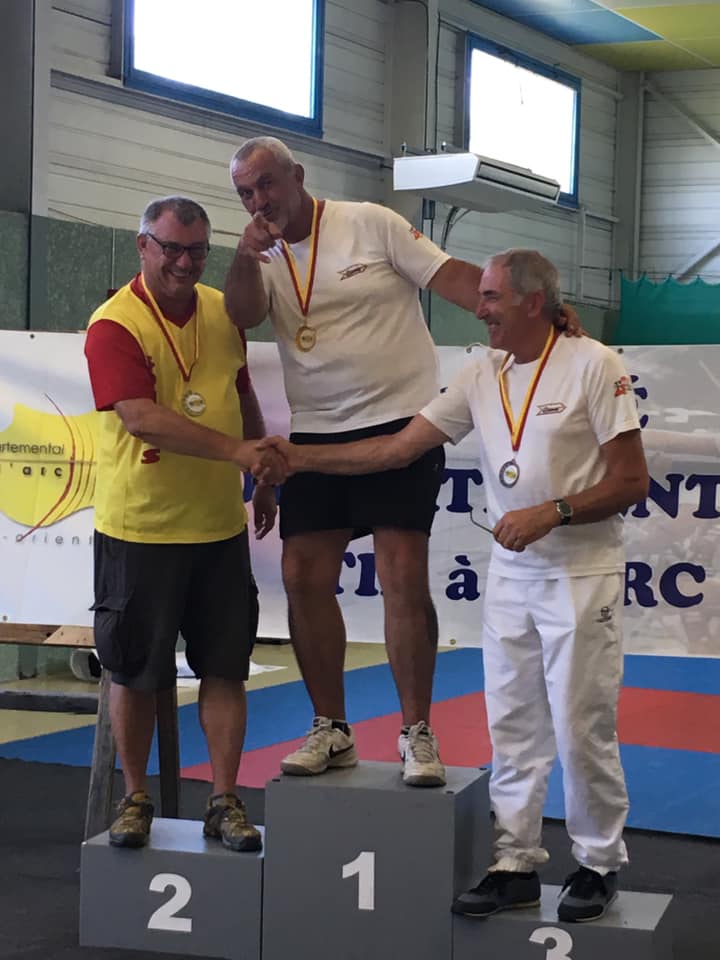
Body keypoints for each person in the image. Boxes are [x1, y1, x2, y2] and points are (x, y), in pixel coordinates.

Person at [257, 249, 649, 923]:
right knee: (512, 723)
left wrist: (553, 511)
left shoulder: (595, 364)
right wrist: (301, 458)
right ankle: (514, 861)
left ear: (533, 302)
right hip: (513, 576)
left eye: (492, 297)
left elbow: (631, 482)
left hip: (580, 574)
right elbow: (396, 449)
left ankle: (597, 862)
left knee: (581, 723)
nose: (479, 307)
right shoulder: (480, 372)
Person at [223, 134, 504, 787]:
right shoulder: (260, 256)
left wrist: (519, 313)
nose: (258, 200)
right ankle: (332, 727)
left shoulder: (370, 223)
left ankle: (416, 732)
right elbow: (241, 313)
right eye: (245, 192)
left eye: (266, 184)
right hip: (315, 435)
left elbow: (452, 278)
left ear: (297, 175)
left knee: (401, 576)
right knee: (301, 576)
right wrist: (240, 256)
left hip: (401, 422)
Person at [84, 195, 285, 851]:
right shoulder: (115, 324)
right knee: (135, 672)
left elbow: (241, 392)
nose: (183, 262)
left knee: (226, 669)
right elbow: (140, 418)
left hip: (217, 530)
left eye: (197, 251)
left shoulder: (224, 314)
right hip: (139, 530)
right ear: (142, 245)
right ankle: (135, 798)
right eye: (170, 248)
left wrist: (263, 472)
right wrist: (238, 454)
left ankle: (224, 800)